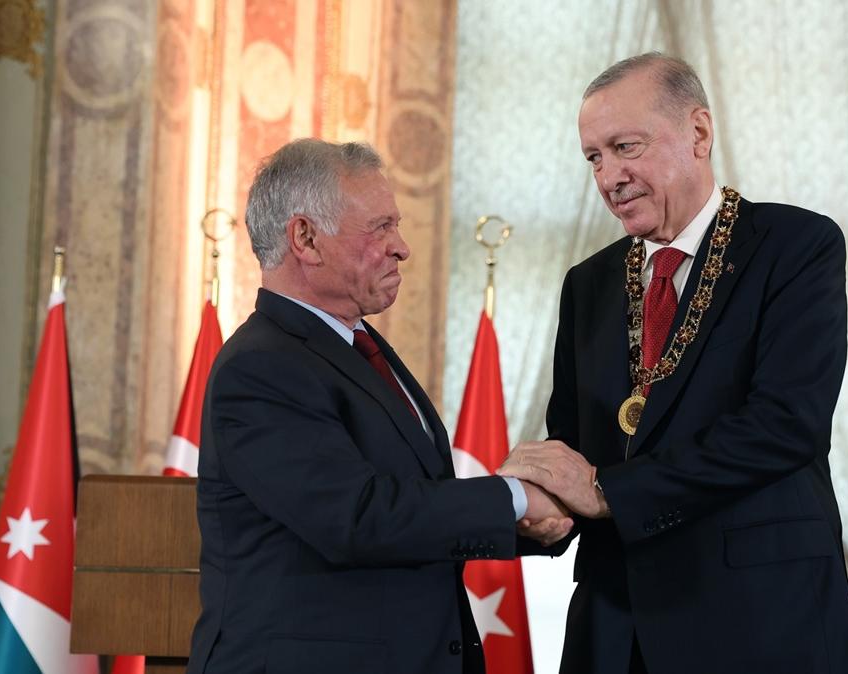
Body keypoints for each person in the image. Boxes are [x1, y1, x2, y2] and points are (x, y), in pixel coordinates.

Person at [499, 53, 848, 673]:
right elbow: (573, 445)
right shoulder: (588, 284)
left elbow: (784, 426)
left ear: (698, 133)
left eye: (625, 147)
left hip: (758, 621)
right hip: (616, 629)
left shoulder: (795, 246)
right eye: (594, 157)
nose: (609, 177)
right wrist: (534, 500)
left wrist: (605, 491)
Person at [186, 139, 571, 674]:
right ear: (306, 239)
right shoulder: (260, 366)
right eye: (380, 227)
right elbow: (357, 518)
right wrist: (515, 498)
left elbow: (411, 508)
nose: (402, 248)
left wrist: (535, 520)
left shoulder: (356, 346)